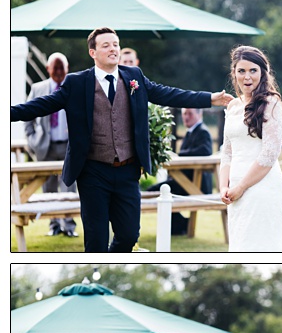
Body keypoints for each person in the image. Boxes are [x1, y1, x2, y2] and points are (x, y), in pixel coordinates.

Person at [9, 27, 233, 252]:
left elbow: (169, 94)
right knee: (96, 241)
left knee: (128, 234)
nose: (113, 49)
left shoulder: (134, 77)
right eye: (106, 45)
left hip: (127, 171)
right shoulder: (76, 83)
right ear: (93, 52)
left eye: (115, 44)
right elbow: (41, 105)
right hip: (92, 172)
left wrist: (210, 98)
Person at [218, 46, 282, 251]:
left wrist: (241, 187)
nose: (247, 77)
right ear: (234, 73)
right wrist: (224, 187)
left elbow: (269, 154)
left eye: (253, 71)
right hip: (234, 190)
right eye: (241, 71)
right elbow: (227, 152)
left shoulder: (271, 103)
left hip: (262, 187)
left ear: (263, 73)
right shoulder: (232, 106)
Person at [22, 52, 78, 237]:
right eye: (56, 67)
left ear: (67, 68)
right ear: (48, 69)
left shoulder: (74, 87)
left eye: (62, 67)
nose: (59, 71)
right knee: (48, 188)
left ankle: (69, 226)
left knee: (69, 186)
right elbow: (27, 116)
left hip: (70, 146)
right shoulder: (38, 88)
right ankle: (53, 225)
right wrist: (32, 140)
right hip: (45, 146)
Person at [169, 106, 214, 235]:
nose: (186, 117)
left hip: (196, 185)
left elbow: (205, 152)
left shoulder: (203, 132)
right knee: (162, 189)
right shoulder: (190, 132)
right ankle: (179, 226)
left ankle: (182, 225)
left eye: (190, 113)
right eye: (184, 114)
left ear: (199, 115)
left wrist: (179, 155)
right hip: (184, 181)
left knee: (161, 190)